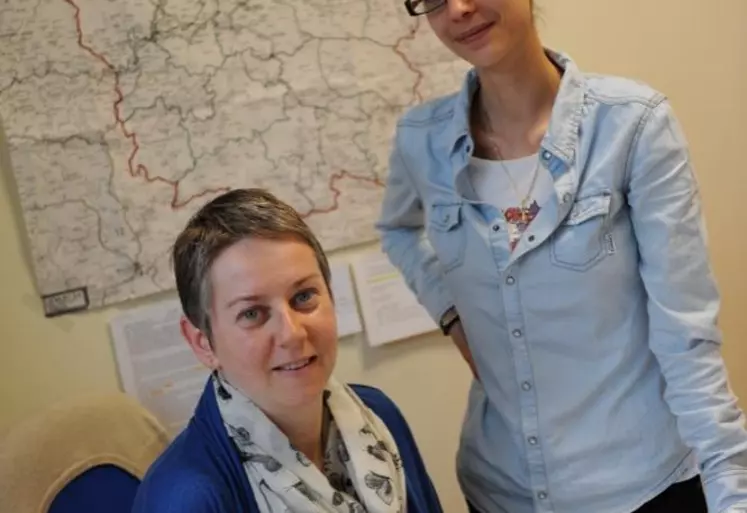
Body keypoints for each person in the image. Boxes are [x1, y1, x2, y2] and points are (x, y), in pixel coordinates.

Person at [376, 1, 747, 513]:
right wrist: (452, 314)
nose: (458, 9)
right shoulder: (423, 140)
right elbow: (396, 229)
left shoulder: (631, 126)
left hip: (640, 487)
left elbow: (686, 337)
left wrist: (732, 487)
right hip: (500, 488)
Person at [132, 188, 443, 513]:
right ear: (203, 343)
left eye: (304, 296)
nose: (292, 333)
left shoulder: (381, 414)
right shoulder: (183, 500)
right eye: (252, 313)